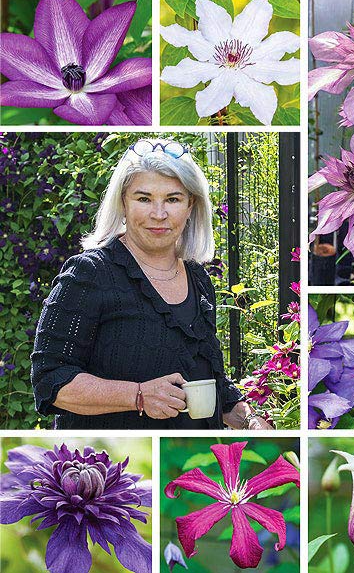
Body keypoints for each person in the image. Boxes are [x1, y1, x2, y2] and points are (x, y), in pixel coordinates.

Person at [31, 138, 273, 430]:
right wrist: (138, 395)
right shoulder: (90, 273)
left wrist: (249, 421)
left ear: (190, 205)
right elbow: (50, 379)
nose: (159, 214)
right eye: (143, 199)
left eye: (172, 199)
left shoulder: (197, 276)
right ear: (123, 202)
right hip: (117, 459)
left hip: (189, 460)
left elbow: (209, 382)